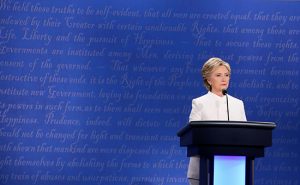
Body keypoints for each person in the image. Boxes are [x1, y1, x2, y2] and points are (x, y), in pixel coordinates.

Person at [187, 57, 247, 185]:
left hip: (233, 168)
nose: (224, 79)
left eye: (227, 75)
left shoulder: (238, 104)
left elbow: (245, 135)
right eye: (218, 75)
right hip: (203, 167)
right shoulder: (199, 103)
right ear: (209, 80)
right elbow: (193, 135)